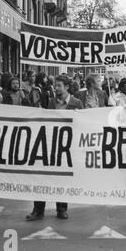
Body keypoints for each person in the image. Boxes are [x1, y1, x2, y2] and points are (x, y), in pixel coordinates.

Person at [26, 75, 83, 222]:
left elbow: (82, 125)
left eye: (58, 85)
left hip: (67, 147)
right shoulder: (51, 102)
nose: (55, 88)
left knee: (62, 178)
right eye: (56, 85)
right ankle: (38, 210)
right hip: (50, 144)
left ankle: (62, 208)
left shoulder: (77, 103)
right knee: (42, 176)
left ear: (67, 87)